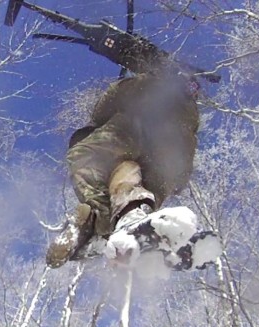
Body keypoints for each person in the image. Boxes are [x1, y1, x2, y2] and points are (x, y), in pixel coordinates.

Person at [46, 71, 201, 268]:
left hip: (132, 134)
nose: (190, 91)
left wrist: (102, 119)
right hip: (164, 160)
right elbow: (187, 151)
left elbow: (110, 100)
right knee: (127, 174)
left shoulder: (153, 87)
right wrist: (178, 178)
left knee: (86, 158)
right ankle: (118, 220)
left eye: (193, 89)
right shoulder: (190, 116)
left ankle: (99, 222)